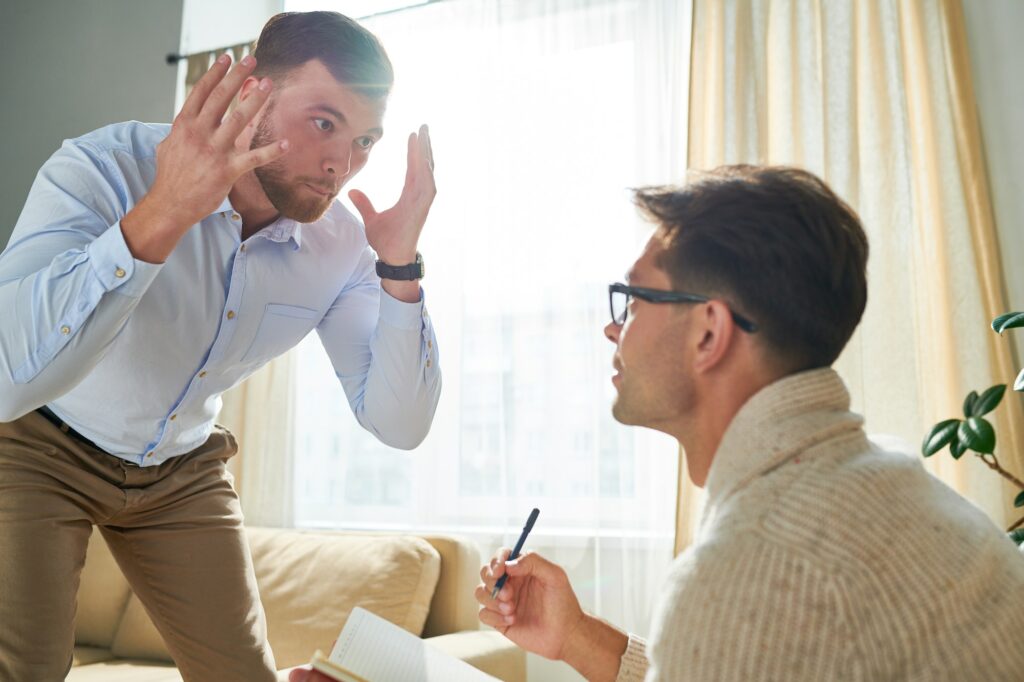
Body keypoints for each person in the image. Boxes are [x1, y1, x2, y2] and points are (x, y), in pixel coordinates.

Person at [0, 11, 440, 681]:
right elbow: (9, 379)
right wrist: (167, 209)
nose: (340, 165)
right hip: (37, 444)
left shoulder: (348, 244)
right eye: (324, 124)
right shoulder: (102, 167)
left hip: (181, 472)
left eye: (365, 141)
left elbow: (399, 425)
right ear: (248, 91)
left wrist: (400, 267)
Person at [474, 165, 1024, 681]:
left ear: (709, 333)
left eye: (633, 300)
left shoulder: (751, 567)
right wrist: (574, 636)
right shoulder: (888, 482)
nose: (612, 330)